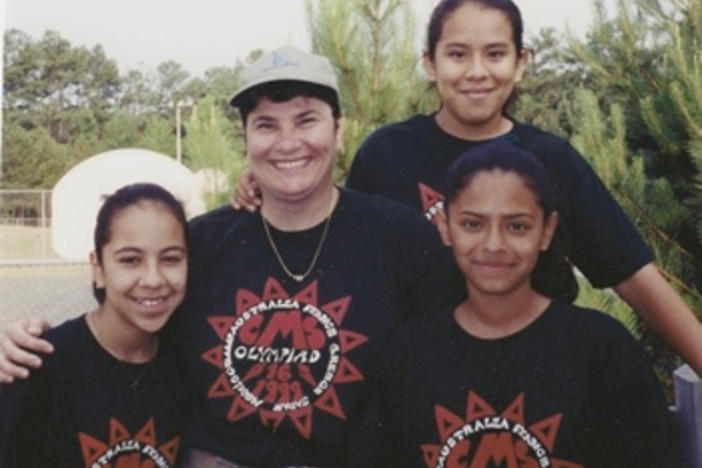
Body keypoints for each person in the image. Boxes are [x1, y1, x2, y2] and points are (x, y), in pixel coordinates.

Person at [0, 46, 456, 467]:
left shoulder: (401, 238)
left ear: (338, 131)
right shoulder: (202, 243)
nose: (288, 141)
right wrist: (27, 347)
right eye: (266, 125)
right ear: (246, 139)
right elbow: (128, 331)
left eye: (306, 120)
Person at [230, 0, 702, 375]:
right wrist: (266, 187)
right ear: (430, 63)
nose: (477, 71)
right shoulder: (386, 153)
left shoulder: (552, 160)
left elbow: (634, 277)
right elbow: (330, 237)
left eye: (495, 54)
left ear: (520, 63)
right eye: (457, 54)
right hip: (418, 385)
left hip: (530, 374)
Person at [372, 141, 684, 468]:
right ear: (445, 228)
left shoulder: (602, 350)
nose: (494, 244)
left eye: (517, 226)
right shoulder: (407, 356)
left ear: (547, 231)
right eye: (472, 224)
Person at [0, 183, 190, 468]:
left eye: (171, 259)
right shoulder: (38, 366)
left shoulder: (188, 360)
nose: (153, 279)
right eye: (130, 260)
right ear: (98, 268)